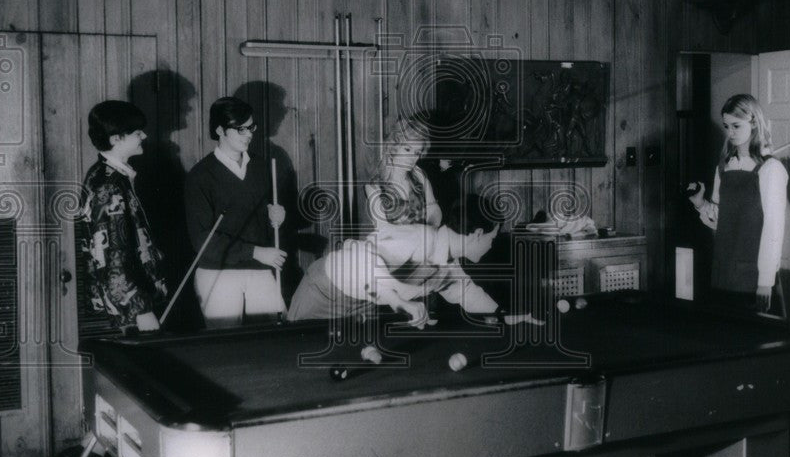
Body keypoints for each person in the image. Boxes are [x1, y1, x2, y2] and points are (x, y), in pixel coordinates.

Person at [289, 194, 541, 326]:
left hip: (359, 304)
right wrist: (399, 302)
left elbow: (468, 294)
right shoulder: (419, 238)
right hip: (323, 288)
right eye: (491, 237)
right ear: (476, 234)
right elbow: (364, 262)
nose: (491, 244)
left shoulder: (450, 267)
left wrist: (504, 315)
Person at [184, 97, 287, 327]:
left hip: (259, 268)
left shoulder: (261, 168)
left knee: (274, 336)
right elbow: (203, 241)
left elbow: (266, 218)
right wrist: (255, 252)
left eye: (251, 127)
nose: (249, 135)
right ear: (220, 130)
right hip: (218, 272)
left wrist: (277, 217)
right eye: (240, 129)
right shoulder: (200, 176)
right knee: (225, 346)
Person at [688, 93, 789, 314]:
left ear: (754, 122)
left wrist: (765, 281)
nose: (730, 133)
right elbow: (722, 221)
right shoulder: (724, 167)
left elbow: (774, 228)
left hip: (754, 277)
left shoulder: (771, 169)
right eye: (726, 126)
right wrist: (700, 205)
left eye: (736, 126)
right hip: (723, 272)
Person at [80, 100, 168, 333]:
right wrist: (141, 310)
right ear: (115, 139)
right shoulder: (108, 186)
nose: (144, 136)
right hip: (131, 307)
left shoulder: (113, 175)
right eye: (137, 132)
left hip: (135, 299)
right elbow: (112, 258)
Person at [365, 115, 443, 229]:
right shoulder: (375, 186)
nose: (413, 158)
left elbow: (434, 209)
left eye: (417, 153)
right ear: (393, 147)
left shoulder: (419, 175)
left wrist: (430, 228)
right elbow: (383, 231)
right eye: (407, 149)